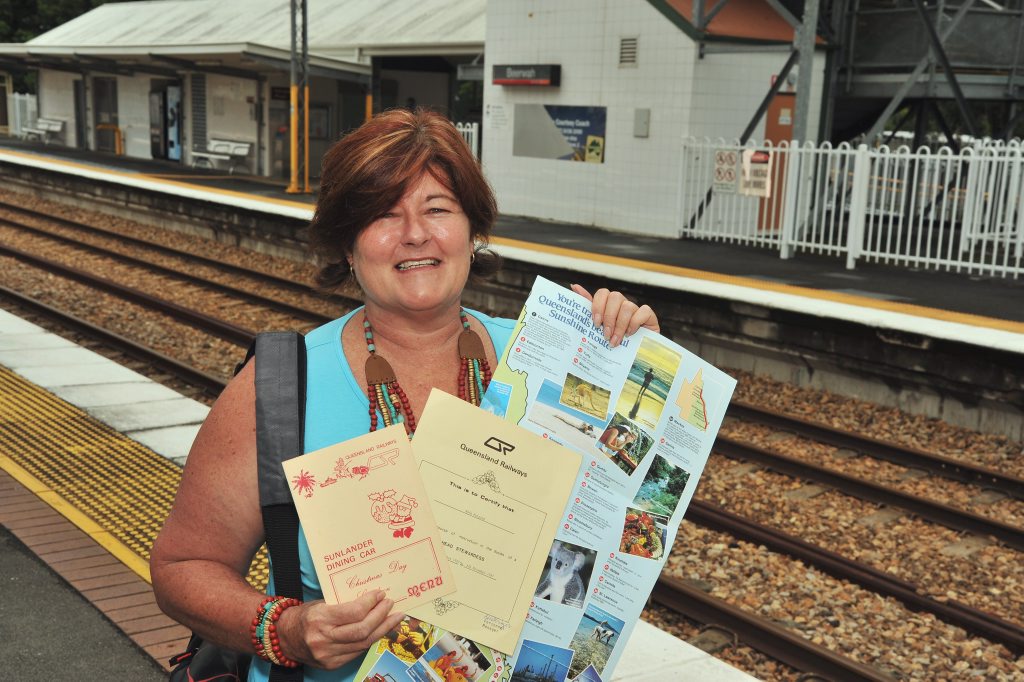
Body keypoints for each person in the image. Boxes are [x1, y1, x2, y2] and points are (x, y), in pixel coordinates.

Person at [150, 108, 659, 681]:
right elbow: (184, 567)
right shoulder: (281, 385)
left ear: (473, 231)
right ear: (348, 245)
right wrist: (287, 628)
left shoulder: (547, 362)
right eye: (384, 214)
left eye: (438, 209)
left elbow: (621, 524)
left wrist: (629, 360)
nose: (415, 233)